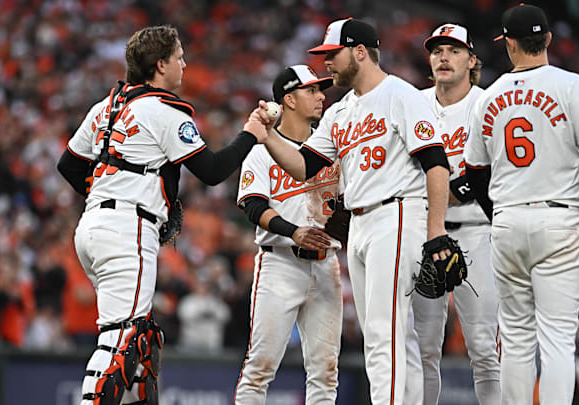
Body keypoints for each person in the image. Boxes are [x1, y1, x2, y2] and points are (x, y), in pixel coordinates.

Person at [56, 25, 267, 405]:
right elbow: (213, 171)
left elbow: (69, 165)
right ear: (160, 65)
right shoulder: (162, 109)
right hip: (126, 230)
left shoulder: (106, 106)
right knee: (121, 336)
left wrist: (109, 193)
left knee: (141, 343)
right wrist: (250, 133)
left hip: (92, 227)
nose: (184, 64)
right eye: (179, 56)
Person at [250, 18, 451, 404]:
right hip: (358, 226)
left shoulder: (400, 95)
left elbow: (436, 163)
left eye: (332, 54)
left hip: (397, 214)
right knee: (393, 334)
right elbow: (303, 166)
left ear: (360, 51)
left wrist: (436, 228)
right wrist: (268, 136)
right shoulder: (340, 111)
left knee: (383, 333)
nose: (327, 63)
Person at [463, 4, 579, 404]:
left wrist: (499, 216)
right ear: (546, 39)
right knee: (557, 340)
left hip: (508, 220)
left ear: (509, 44)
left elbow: (474, 173)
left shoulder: (487, 97)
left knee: (514, 340)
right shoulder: (569, 85)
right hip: (557, 221)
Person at [233, 65, 343, 403]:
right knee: (260, 369)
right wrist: (292, 231)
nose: (321, 97)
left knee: (325, 372)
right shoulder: (262, 147)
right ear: (289, 99)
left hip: (327, 264)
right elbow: (252, 205)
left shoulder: (332, 146)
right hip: (280, 263)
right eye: (312, 91)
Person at [414, 23, 500, 405]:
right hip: (422, 233)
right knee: (423, 349)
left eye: (453, 50)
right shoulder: (412, 103)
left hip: (476, 231)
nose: (443, 57)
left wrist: (449, 192)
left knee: (484, 347)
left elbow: (499, 166)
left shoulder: (488, 103)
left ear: (472, 60)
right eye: (437, 51)